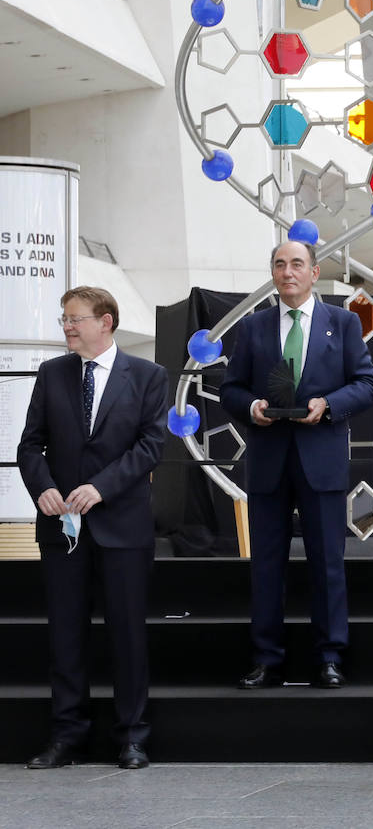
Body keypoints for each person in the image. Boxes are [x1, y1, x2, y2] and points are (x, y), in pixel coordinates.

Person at [18, 287, 168, 769]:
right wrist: (41, 488)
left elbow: (150, 446)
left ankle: (133, 738)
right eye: (64, 318)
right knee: (65, 636)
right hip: (61, 529)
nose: (67, 326)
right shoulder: (52, 373)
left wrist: (100, 488)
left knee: (127, 635)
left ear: (106, 322)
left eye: (75, 319)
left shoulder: (148, 376)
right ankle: (67, 737)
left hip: (122, 526)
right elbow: (29, 446)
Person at [221, 240, 373, 690]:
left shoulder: (344, 323)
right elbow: (231, 389)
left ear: (314, 271)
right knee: (266, 564)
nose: (287, 272)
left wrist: (328, 404)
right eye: (279, 264)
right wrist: (250, 407)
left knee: (327, 563)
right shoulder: (253, 328)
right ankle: (268, 658)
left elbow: (366, 384)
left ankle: (330, 656)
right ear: (272, 273)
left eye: (296, 264)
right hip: (269, 463)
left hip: (322, 462)